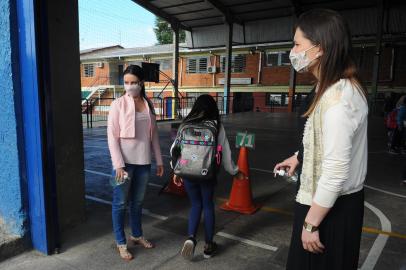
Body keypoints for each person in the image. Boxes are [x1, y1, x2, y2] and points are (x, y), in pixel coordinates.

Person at [274, 9, 368, 270]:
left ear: (320, 48)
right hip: (321, 202)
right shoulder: (326, 86)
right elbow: (321, 136)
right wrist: (299, 157)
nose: (293, 52)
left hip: (330, 210)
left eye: (297, 44)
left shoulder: (339, 99)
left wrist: (310, 223)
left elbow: (336, 170)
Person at [170, 94, 244, 260]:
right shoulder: (217, 126)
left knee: (195, 205)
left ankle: (191, 237)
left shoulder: (185, 124)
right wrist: (234, 171)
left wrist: (176, 171)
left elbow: (174, 150)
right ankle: (209, 246)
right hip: (207, 174)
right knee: (208, 206)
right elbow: (225, 154)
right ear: (213, 108)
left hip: (188, 173)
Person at [107, 65, 164, 261]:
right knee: (120, 203)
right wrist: (118, 165)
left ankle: (137, 235)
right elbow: (112, 137)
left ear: (141, 83)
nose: (129, 86)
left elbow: (154, 135)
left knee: (137, 203)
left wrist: (159, 160)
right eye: (126, 83)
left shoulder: (148, 105)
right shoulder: (118, 104)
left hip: (143, 162)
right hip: (124, 163)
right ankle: (121, 242)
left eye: (133, 82)